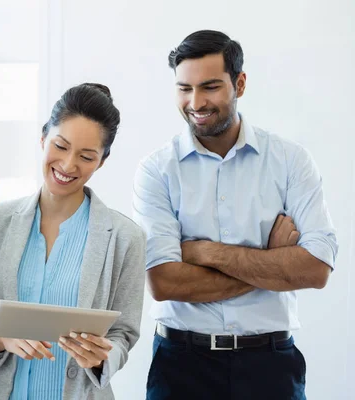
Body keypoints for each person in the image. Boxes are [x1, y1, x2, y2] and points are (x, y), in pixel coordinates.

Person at [133, 30, 338, 400]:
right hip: (180, 366)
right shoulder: (156, 171)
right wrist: (272, 263)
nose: (196, 102)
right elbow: (165, 283)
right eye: (184, 88)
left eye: (210, 86)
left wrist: (203, 252)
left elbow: (316, 269)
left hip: (270, 367)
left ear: (239, 83)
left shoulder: (291, 161)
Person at [0, 83, 146, 399]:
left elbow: (124, 333)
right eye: (60, 146)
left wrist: (102, 357)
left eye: (86, 156)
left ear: (102, 161)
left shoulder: (125, 237)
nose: (68, 165)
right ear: (43, 139)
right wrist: (3, 340)